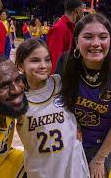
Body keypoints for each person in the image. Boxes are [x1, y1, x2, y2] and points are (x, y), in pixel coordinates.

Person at [60, 13, 111, 177]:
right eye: (88, 37)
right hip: (70, 139)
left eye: (103, 37)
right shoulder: (65, 62)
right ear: (77, 41)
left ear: (110, 41)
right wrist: (72, 123)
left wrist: (99, 159)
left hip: (103, 144)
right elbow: (58, 101)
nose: (96, 43)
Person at [15, 38, 89, 178]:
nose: (43, 65)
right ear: (20, 66)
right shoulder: (17, 99)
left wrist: (77, 122)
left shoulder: (60, 82)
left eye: (47, 60)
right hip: (41, 169)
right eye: (35, 60)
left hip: (73, 167)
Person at [47, 0, 84, 73]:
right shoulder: (60, 28)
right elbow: (55, 58)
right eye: (82, 9)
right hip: (60, 78)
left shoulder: (71, 27)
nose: (83, 12)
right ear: (77, 10)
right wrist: (56, 82)